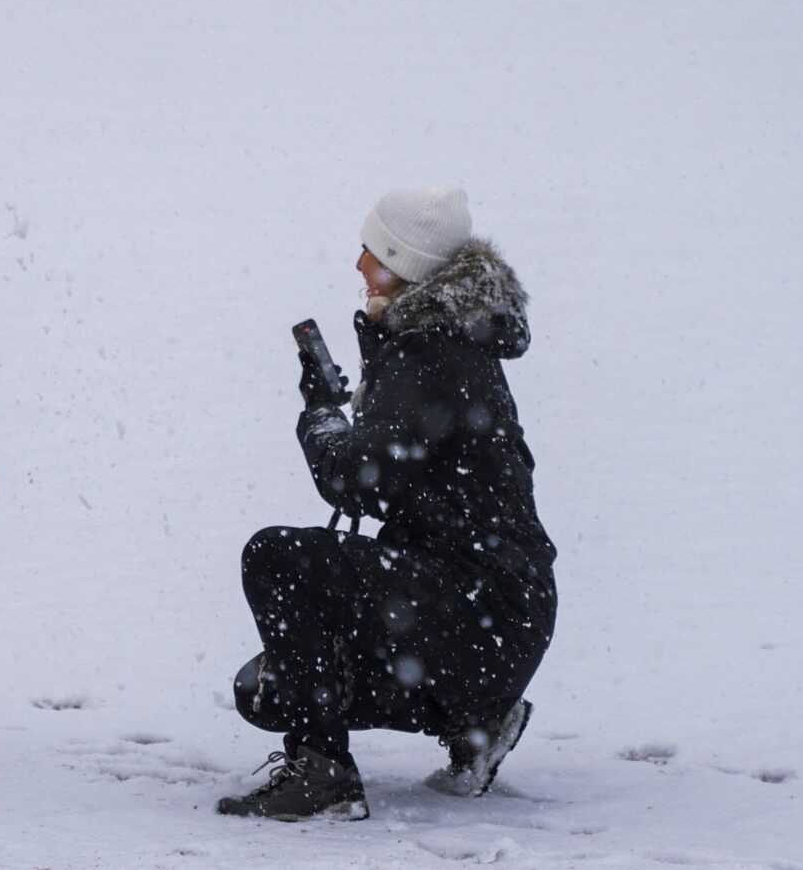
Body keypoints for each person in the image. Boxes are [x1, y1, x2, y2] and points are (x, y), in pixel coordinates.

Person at [217, 185, 557, 822]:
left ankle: (324, 774)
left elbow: (357, 482)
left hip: (483, 608)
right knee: (267, 691)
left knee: (275, 557)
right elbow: (400, 479)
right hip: (497, 617)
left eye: (372, 253)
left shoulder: (432, 353)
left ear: (408, 266)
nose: (358, 265)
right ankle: (479, 720)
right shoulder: (441, 345)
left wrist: (320, 410)